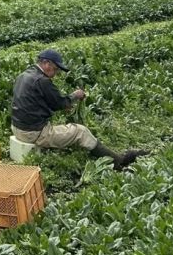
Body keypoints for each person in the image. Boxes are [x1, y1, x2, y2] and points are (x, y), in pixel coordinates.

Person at [11, 49, 146, 170]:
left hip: (17, 127)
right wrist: (75, 95)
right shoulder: (42, 80)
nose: (56, 73)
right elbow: (59, 103)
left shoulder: (24, 75)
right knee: (81, 132)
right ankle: (118, 161)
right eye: (56, 69)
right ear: (46, 63)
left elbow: (35, 101)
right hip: (34, 133)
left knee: (67, 130)